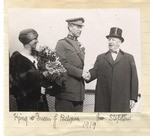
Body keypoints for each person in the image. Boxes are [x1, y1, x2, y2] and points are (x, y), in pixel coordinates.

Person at [86, 27, 139, 112]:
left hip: (122, 100)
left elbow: (134, 79)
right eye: (109, 39)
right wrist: (83, 74)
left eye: (113, 40)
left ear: (120, 42)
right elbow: (94, 72)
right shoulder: (101, 57)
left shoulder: (129, 58)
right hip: (103, 100)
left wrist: (133, 98)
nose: (110, 42)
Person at [9, 29, 49, 111]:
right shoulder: (17, 58)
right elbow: (19, 82)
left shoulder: (38, 56)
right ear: (27, 40)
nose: (37, 41)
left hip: (41, 99)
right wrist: (38, 88)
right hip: (27, 102)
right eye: (35, 39)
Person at [55, 17, 88, 112]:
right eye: (78, 26)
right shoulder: (61, 43)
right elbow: (61, 64)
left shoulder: (79, 45)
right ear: (69, 27)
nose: (80, 29)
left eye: (81, 27)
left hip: (78, 93)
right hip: (65, 93)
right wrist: (81, 73)